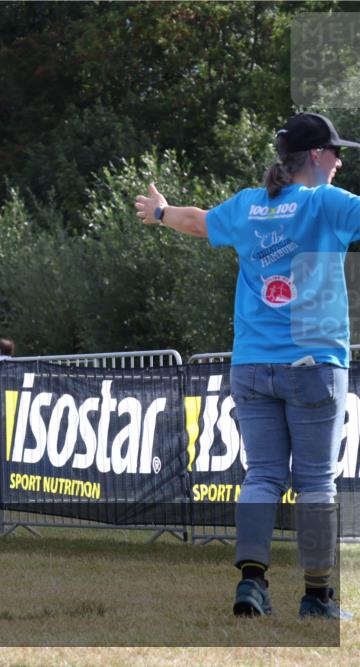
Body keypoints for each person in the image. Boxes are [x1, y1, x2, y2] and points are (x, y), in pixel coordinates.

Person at [134, 112, 359, 620]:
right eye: (336, 153)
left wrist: (161, 211)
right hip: (314, 366)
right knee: (317, 483)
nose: (340, 162)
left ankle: (252, 585)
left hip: (253, 365)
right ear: (317, 156)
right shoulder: (327, 203)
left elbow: (198, 222)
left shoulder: (250, 204)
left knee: (262, 476)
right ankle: (317, 597)